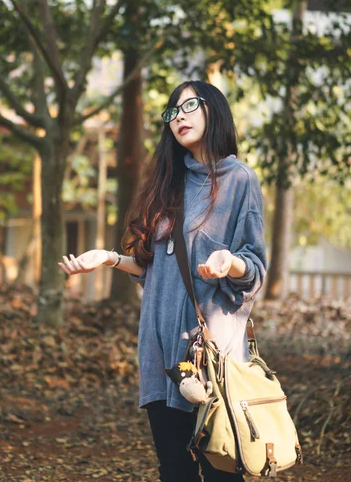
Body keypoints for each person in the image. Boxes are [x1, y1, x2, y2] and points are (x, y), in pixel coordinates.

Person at [58, 80, 267, 482]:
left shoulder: (240, 180)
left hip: (212, 357)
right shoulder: (166, 182)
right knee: (174, 470)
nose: (179, 117)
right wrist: (109, 258)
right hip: (159, 354)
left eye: (190, 106)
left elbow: (255, 268)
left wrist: (230, 263)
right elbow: (155, 270)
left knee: (222, 469)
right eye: (172, 112)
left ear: (215, 111)